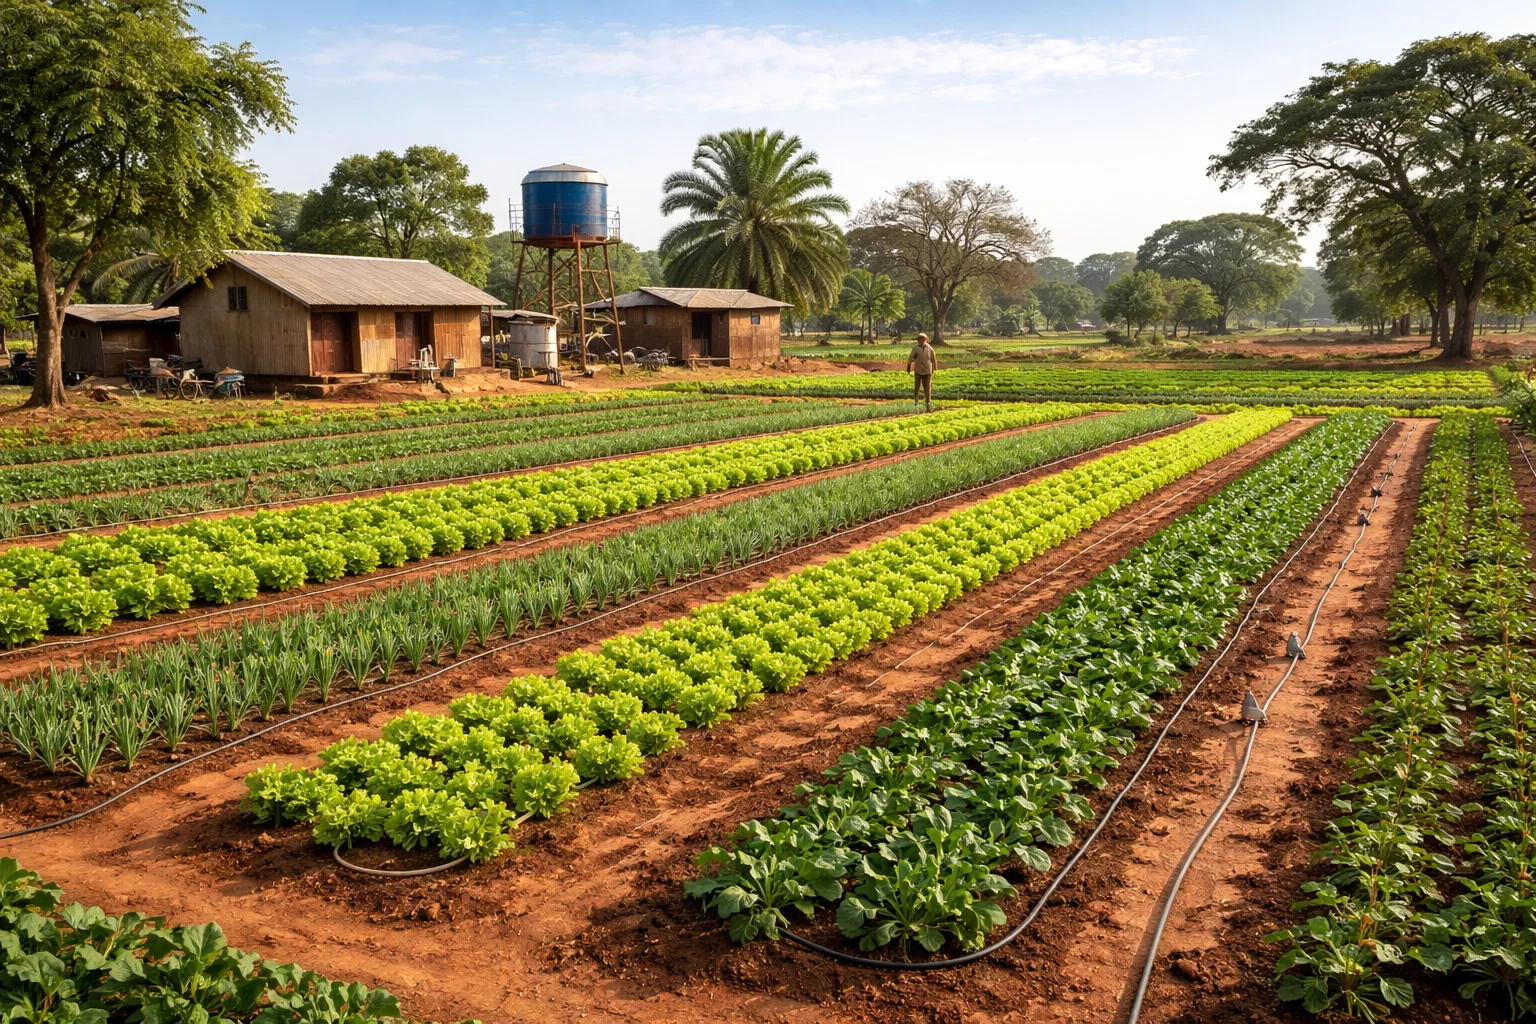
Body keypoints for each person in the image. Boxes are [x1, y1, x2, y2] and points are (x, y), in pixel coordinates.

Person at [906, 332, 937, 411]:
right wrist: (909, 366)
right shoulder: (915, 348)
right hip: (918, 370)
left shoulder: (929, 348)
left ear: (925, 340)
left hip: (927, 370)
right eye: (919, 339)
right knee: (917, 387)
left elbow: (933, 359)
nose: (921, 341)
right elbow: (911, 358)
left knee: (927, 388)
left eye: (923, 339)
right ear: (918, 340)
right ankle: (916, 402)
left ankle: (928, 403)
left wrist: (934, 368)